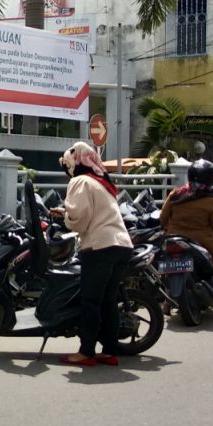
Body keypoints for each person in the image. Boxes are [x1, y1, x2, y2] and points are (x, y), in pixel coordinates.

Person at [52, 142, 134, 367]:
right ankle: (109, 351)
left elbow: (79, 219)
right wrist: (68, 212)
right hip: (121, 245)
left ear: (74, 162)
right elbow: (95, 211)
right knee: (108, 301)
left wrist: (66, 218)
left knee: (90, 301)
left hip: (100, 246)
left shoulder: (79, 181)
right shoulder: (101, 182)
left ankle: (86, 352)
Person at [160, 159, 213, 311]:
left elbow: (163, 218)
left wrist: (169, 230)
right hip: (203, 240)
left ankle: (166, 303)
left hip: (173, 238)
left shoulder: (175, 194)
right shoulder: (211, 201)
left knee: (168, 265)